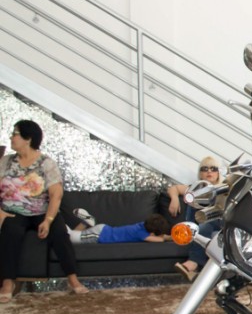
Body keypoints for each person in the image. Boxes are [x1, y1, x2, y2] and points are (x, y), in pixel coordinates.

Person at [0, 120, 88, 301]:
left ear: (28, 139)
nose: (11, 137)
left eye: (15, 134)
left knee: (59, 232)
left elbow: (56, 194)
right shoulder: (6, 162)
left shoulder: (46, 163)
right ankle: (7, 283)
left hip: (43, 211)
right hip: (13, 211)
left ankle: (72, 279)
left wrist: (48, 220)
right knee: (10, 232)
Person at [167, 156, 224, 281]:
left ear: (218, 173)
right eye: (205, 169)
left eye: (213, 168)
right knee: (193, 197)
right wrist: (174, 199)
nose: (209, 171)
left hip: (220, 224)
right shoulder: (196, 188)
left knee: (204, 225)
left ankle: (193, 263)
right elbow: (173, 188)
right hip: (201, 225)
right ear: (200, 173)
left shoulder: (223, 188)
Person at [68, 213, 171, 244]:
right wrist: (170, 238)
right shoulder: (141, 234)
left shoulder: (142, 225)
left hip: (102, 229)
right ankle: (85, 221)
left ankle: (86, 222)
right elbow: (160, 240)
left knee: (75, 235)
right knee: (71, 238)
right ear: (152, 233)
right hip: (99, 235)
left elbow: (158, 236)